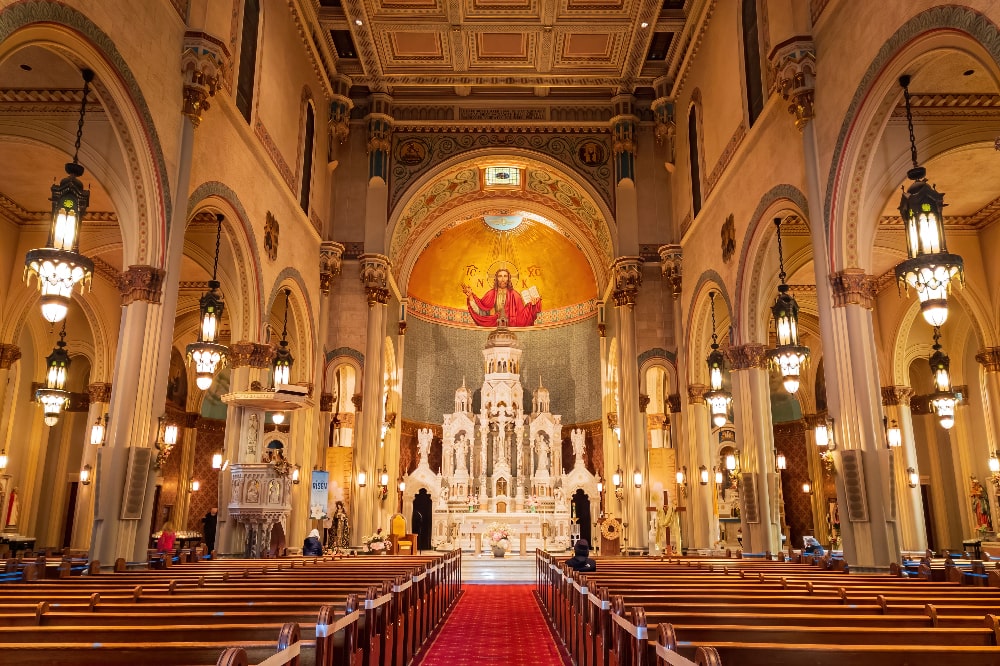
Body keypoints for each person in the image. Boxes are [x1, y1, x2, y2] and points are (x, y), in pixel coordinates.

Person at [463, 268, 541, 328]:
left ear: (509, 278)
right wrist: (470, 297)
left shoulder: (515, 295)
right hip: (494, 325)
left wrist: (532, 305)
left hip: (510, 328)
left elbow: (522, 316)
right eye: (500, 276)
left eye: (505, 276)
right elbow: (482, 313)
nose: (503, 279)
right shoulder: (490, 294)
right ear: (496, 279)